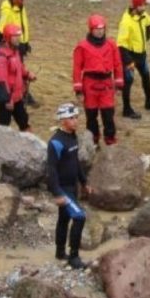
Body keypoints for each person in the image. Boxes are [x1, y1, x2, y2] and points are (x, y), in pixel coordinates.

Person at [47, 103, 93, 269]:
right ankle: (74, 257)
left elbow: (75, 162)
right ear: (62, 120)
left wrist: (84, 182)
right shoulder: (55, 142)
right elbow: (50, 171)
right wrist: (57, 193)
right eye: (71, 118)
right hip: (63, 188)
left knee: (64, 219)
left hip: (73, 186)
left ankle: (60, 252)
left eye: (76, 117)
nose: (75, 121)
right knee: (79, 217)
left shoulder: (73, 136)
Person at [73, 14, 124, 146]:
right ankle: (93, 141)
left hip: (106, 83)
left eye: (102, 28)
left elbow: (118, 64)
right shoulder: (82, 47)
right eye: (96, 29)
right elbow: (77, 68)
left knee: (108, 114)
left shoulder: (111, 45)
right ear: (91, 29)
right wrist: (78, 90)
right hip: (90, 84)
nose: (100, 31)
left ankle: (110, 140)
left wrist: (119, 84)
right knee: (91, 115)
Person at [0, 0, 38, 108]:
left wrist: (25, 42)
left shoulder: (20, 7)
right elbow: (1, 27)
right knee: (17, 71)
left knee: (18, 70)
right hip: (11, 45)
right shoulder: (8, 9)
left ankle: (17, 93)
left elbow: (23, 26)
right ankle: (22, 95)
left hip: (19, 43)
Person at [117, 0, 150, 119]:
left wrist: (148, 33)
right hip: (130, 56)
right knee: (128, 82)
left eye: (144, 5)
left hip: (142, 54)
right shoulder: (126, 22)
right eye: (142, 6)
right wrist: (128, 60)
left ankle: (149, 101)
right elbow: (121, 44)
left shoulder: (143, 15)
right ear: (136, 6)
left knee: (146, 77)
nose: (144, 8)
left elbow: (148, 22)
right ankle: (126, 109)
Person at [0, 23, 36, 131]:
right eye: (15, 36)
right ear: (8, 37)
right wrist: (7, 100)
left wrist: (27, 74)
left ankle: (28, 145)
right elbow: (1, 79)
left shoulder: (15, 51)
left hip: (17, 96)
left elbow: (19, 67)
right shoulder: (1, 55)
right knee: (3, 128)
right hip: (7, 98)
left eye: (19, 36)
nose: (18, 39)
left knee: (24, 124)